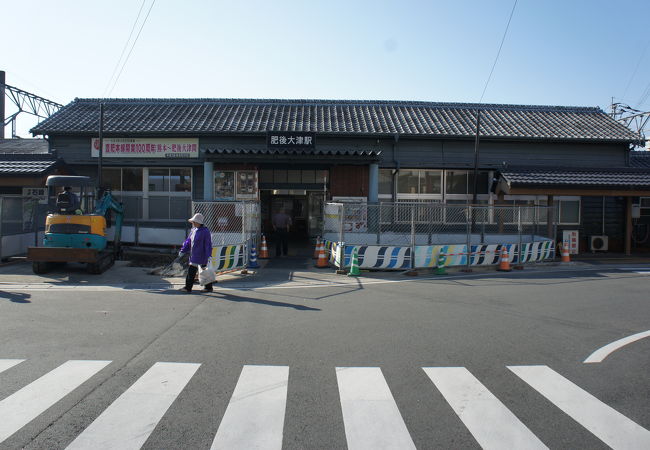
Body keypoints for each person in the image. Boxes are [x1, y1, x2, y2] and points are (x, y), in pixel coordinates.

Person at [178, 213, 215, 293]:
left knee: (203, 272)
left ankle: (204, 287)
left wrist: (209, 255)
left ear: (199, 222)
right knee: (193, 272)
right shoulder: (194, 230)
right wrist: (183, 250)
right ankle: (190, 287)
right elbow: (188, 241)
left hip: (202, 256)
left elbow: (208, 244)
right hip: (195, 255)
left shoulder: (205, 231)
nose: (193, 223)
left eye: (195, 222)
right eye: (193, 222)